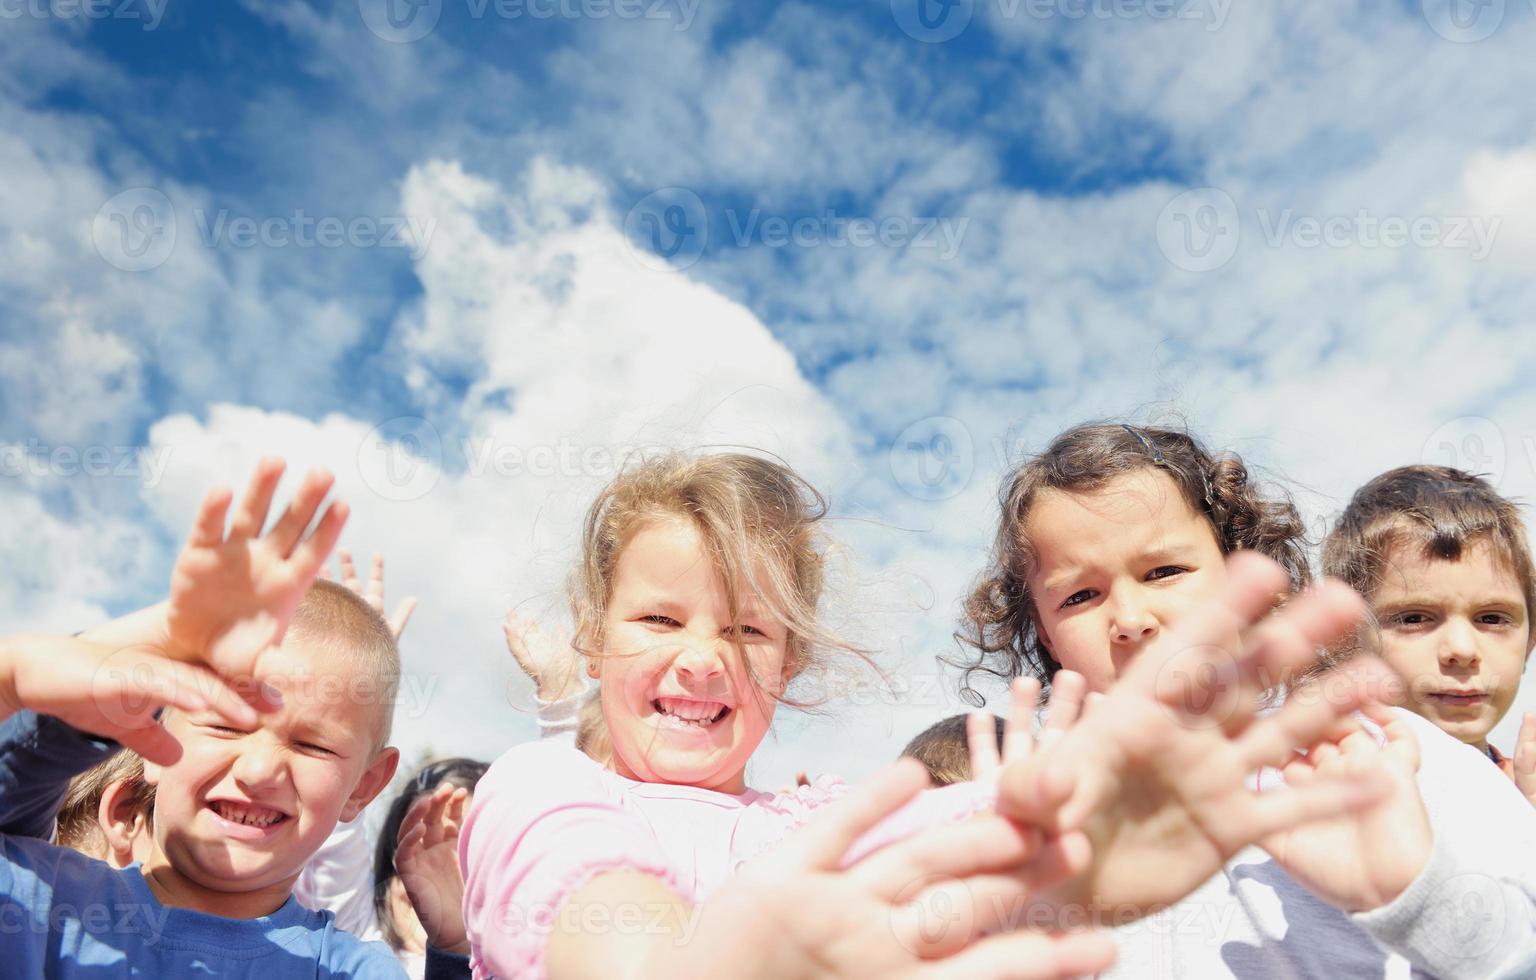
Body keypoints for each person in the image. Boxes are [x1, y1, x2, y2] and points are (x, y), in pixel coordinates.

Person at [460, 450, 1392, 979]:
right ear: (592, 633)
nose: (703, 658)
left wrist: (1065, 834)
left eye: (749, 629)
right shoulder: (542, 789)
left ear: (791, 662)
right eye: (660, 619)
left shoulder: (824, 816)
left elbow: (956, 836)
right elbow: (602, 934)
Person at [959, 421, 1536, 977]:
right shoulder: (1014, 822)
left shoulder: (1393, 760)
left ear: (1241, 566)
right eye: (1081, 595)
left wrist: (1418, 901)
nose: (1130, 620)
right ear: (1042, 632)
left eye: (1164, 571)